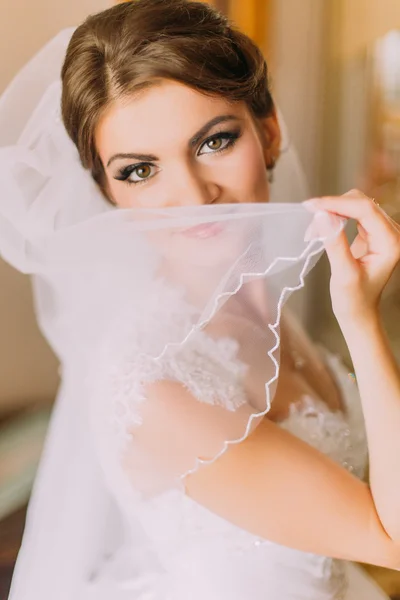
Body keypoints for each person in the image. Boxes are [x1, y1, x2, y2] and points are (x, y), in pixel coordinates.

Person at [2, 1, 400, 599]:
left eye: (214, 141)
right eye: (139, 171)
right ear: (108, 195)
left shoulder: (257, 308)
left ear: (269, 131)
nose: (192, 194)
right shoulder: (157, 386)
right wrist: (362, 324)